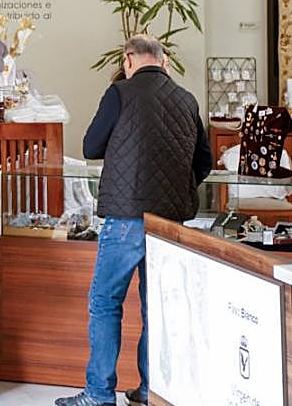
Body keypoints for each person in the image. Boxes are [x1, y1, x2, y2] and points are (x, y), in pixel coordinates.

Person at [57, 36, 213, 406]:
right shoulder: (186, 99)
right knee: (154, 306)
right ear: (163, 61)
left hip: (126, 217)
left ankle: (98, 393)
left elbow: (91, 147)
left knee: (105, 301)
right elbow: (204, 160)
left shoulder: (119, 93)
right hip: (170, 223)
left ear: (128, 59)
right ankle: (148, 388)